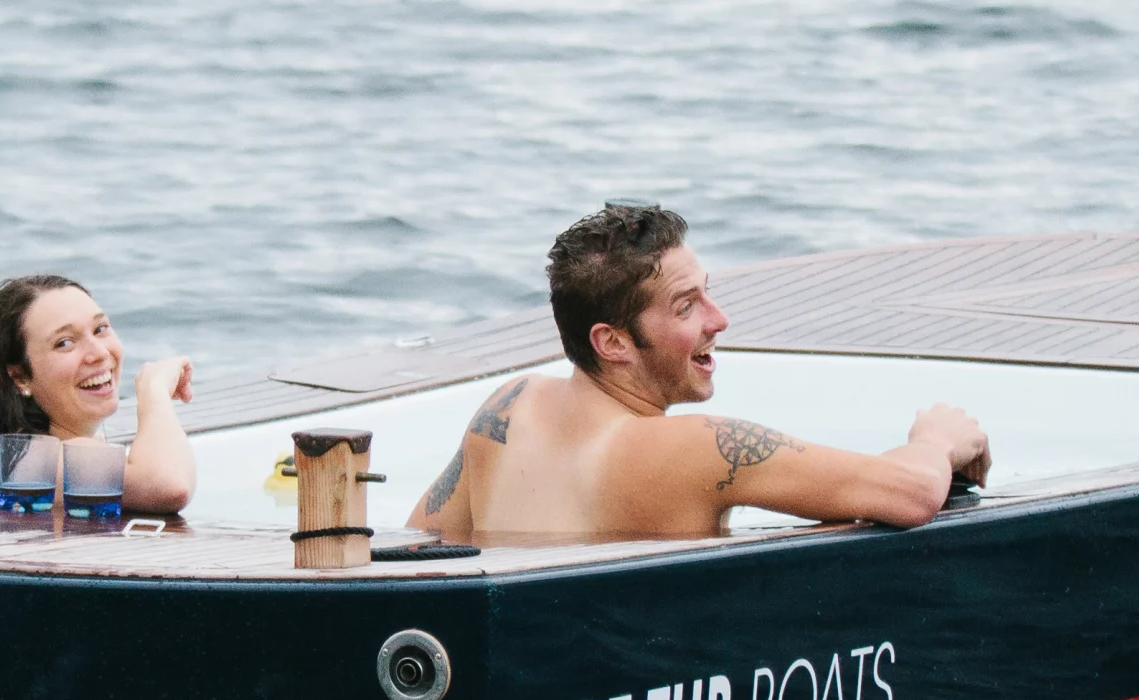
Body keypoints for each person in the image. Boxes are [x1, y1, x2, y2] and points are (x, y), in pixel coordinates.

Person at [407, 204, 988, 542]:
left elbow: (415, 545)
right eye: (686, 308)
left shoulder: (508, 409)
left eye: (709, 295)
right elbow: (910, 494)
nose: (720, 320)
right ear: (611, 343)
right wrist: (936, 439)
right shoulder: (695, 446)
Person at [0, 274, 196, 511]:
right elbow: (171, 486)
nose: (98, 353)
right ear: (19, 376)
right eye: (64, 343)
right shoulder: (61, 458)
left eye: (100, 329)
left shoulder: (12, 447)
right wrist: (153, 393)